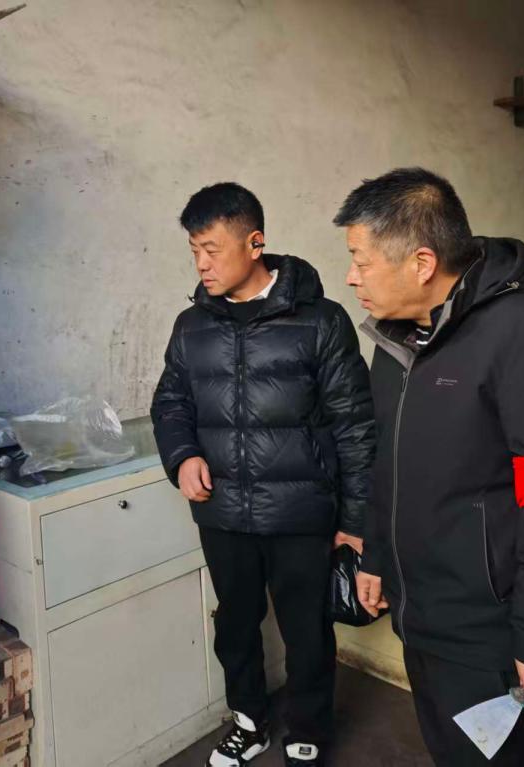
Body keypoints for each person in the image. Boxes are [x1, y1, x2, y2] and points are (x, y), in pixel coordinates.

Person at [334, 167, 524, 766]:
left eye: (361, 260)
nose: (352, 277)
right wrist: (376, 556)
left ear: (422, 262)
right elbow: (389, 464)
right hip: (421, 615)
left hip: (490, 635)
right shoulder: (399, 342)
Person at [152, 182, 375, 766]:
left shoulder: (321, 321)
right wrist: (183, 455)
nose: (201, 264)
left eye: (212, 249)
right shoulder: (191, 326)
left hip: (301, 513)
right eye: (194, 251)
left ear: (255, 243)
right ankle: (249, 721)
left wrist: (355, 521)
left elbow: (355, 425)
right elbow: (170, 402)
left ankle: (309, 727)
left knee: (306, 629)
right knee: (235, 625)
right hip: (223, 511)